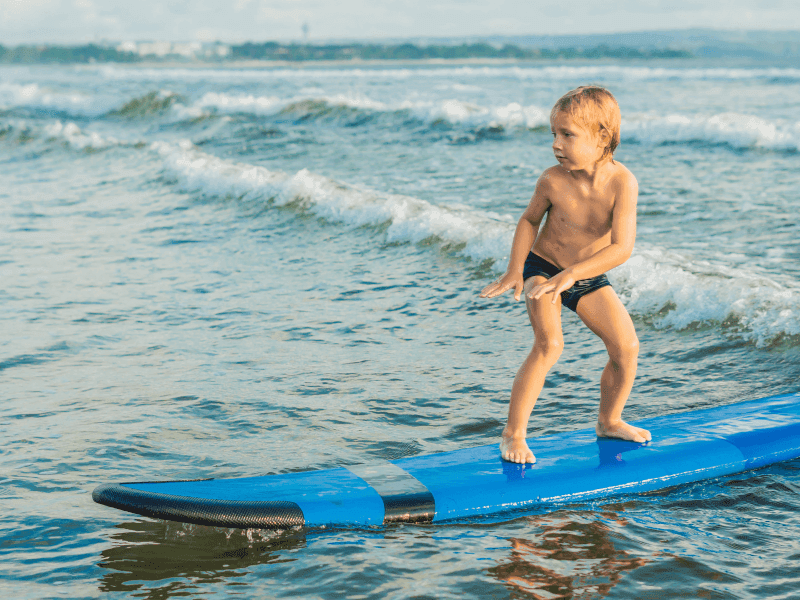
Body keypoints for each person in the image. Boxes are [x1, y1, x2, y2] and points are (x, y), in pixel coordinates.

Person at [479, 86, 651, 464]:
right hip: (542, 268)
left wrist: (574, 275)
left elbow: (621, 247)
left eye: (567, 134)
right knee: (549, 345)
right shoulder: (552, 180)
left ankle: (609, 420)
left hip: (585, 273)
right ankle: (513, 434)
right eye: (553, 134)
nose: (556, 144)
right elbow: (529, 219)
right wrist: (514, 269)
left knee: (627, 348)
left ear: (602, 136)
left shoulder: (623, 183)